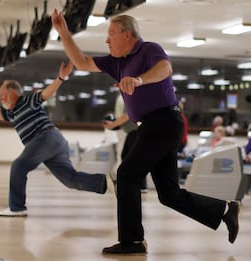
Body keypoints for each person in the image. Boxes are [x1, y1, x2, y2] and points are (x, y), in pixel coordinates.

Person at [51, 11, 239, 255]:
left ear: (127, 34)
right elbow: (82, 62)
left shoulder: (149, 49)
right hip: (154, 126)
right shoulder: (117, 62)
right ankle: (225, 211)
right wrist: (64, 33)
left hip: (164, 122)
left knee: (127, 174)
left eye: (111, 35)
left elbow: (165, 68)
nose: (107, 41)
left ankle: (132, 241)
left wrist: (138, 80)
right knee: (169, 194)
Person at [0, 62, 107, 217]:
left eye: (2, 95)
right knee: (70, 180)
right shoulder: (11, 114)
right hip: (54, 142)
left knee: (18, 166)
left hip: (46, 137)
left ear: (13, 94)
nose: (0, 99)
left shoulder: (28, 101)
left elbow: (47, 93)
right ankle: (106, 183)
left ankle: (17, 208)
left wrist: (61, 77)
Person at [104, 94, 147, 193]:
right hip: (131, 132)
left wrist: (113, 125)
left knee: (132, 158)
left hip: (135, 131)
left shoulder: (129, 97)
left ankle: (139, 185)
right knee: (126, 156)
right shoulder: (123, 97)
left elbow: (127, 116)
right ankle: (133, 184)